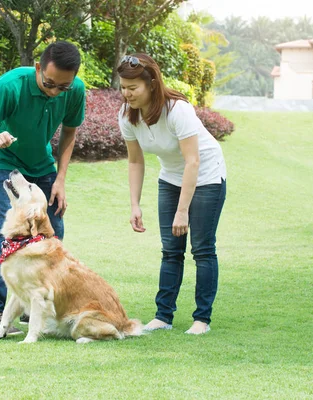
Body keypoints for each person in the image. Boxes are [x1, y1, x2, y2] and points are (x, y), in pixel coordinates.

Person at [0, 41, 86, 334]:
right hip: (1, 159)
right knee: (8, 229)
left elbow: (70, 132)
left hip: (42, 165)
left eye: (63, 87)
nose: (55, 91)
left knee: (52, 231)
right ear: (38, 68)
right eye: (49, 83)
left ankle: (34, 306)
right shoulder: (11, 85)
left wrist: (60, 179)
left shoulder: (75, 90)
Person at [117, 53, 227, 335]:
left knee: (202, 249)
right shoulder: (127, 116)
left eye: (133, 88)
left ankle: (202, 319)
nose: (126, 94)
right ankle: (163, 316)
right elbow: (135, 161)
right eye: (123, 87)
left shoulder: (177, 110)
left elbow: (193, 161)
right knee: (171, 250)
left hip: (206, 175)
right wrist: (134, 204)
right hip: (170, 177)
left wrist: (182, 211)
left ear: (151, 84)